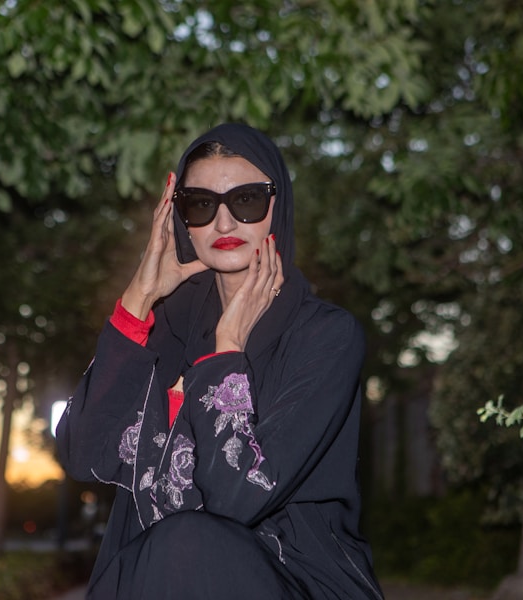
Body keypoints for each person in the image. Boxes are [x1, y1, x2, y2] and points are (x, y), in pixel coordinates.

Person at [56, 123, 383, 599]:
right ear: (179, 218)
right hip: (161, 577)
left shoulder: (324, 336)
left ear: (278, 207)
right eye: (201, 204)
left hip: (291, 580)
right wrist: (138, 301)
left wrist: (227, 347)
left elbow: (237, 499)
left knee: (186, 540)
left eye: (246, 200)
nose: (224, 224)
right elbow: (81, 453)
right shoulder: (164, 330)